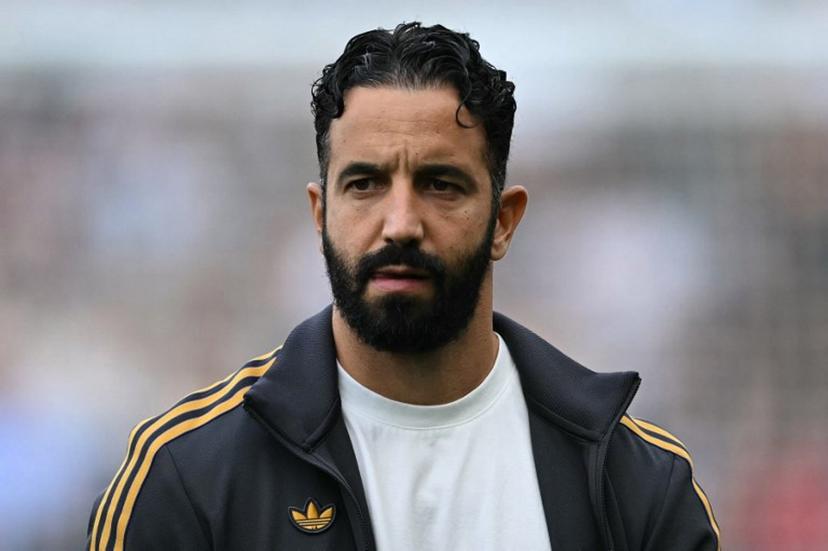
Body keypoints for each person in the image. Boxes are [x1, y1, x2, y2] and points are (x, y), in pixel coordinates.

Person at [86, 22, 720, 551]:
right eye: (364, 184)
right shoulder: (189, 474)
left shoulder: (636, 482)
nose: (401, 224)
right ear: (320, 215)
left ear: (503, 221)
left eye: (441, 184)